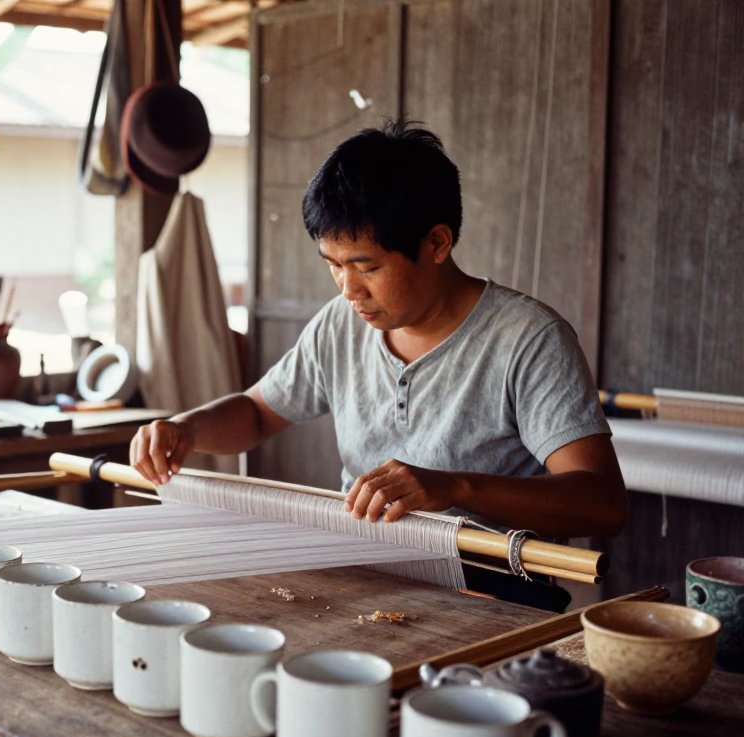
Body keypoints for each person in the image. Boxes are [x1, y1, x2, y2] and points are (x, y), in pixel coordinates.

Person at [128, 121, 627, 611]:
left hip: (488, 589)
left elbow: (602, 503)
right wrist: (184, 429)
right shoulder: (339, 326)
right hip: (362, 568)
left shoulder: (528, 339)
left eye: (367, 267)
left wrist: (453, 487)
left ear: (436, 243)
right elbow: (257, 414)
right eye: (333, 265)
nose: (348, 290)